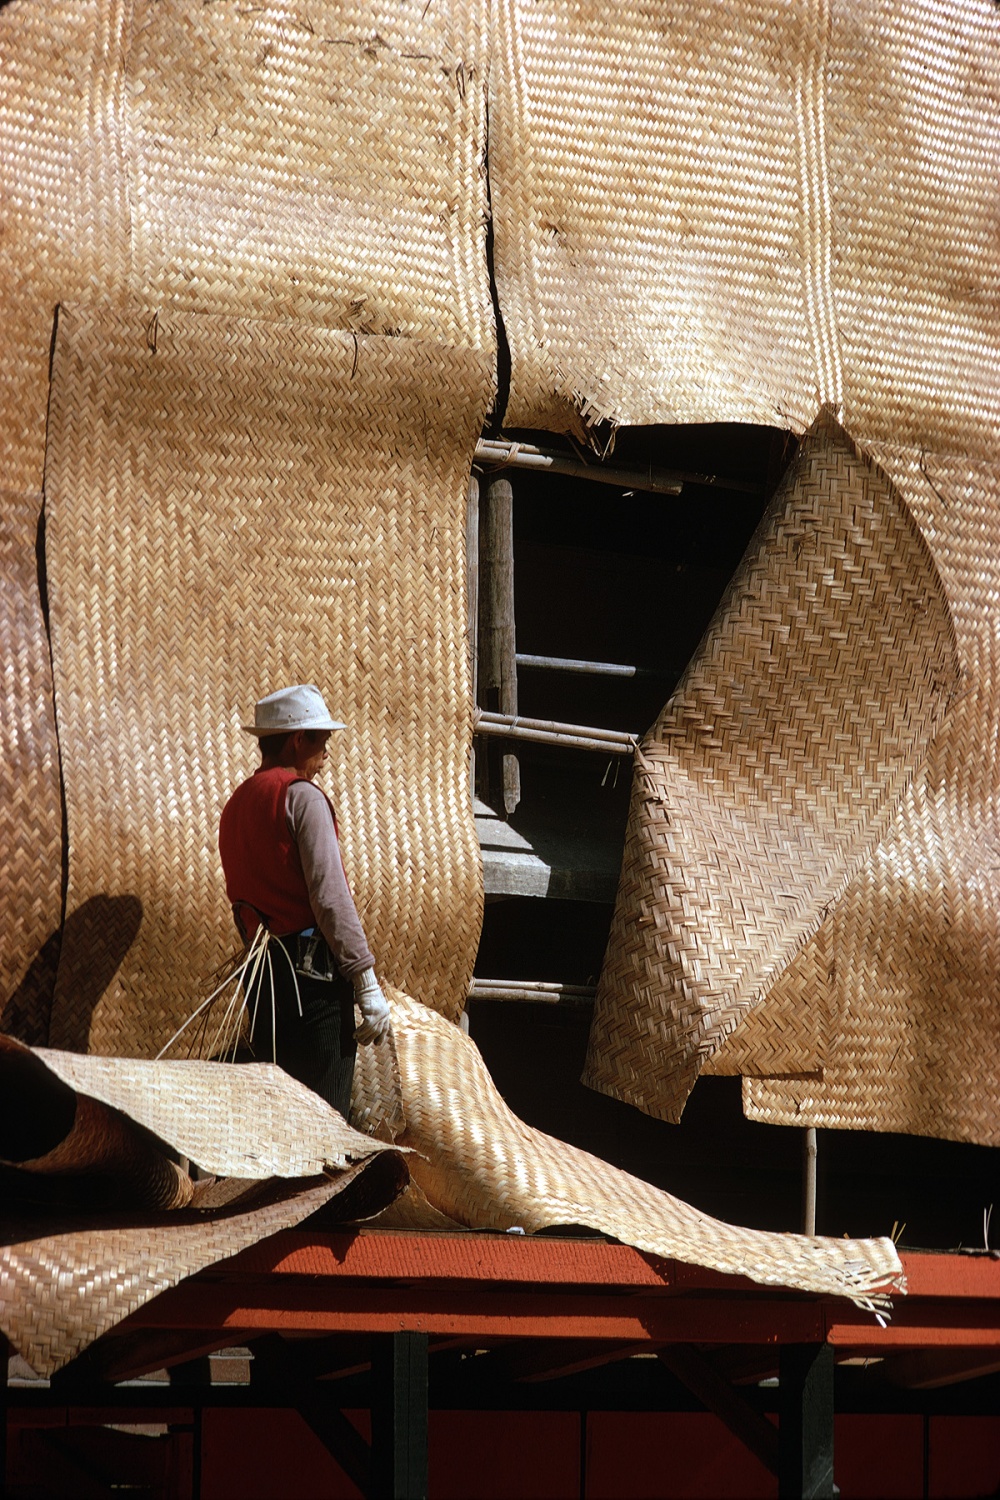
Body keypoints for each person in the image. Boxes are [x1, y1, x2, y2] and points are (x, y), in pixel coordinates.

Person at [218, 684, 390, 1118]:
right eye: (322, 739)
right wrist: (365, 981)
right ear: (298, 740)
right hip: (310, 983)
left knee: (279, 1121)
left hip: (263, 980)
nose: (326, 752)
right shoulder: (303, 798)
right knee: (323, 1124)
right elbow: (331, 898)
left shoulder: (236, 805)